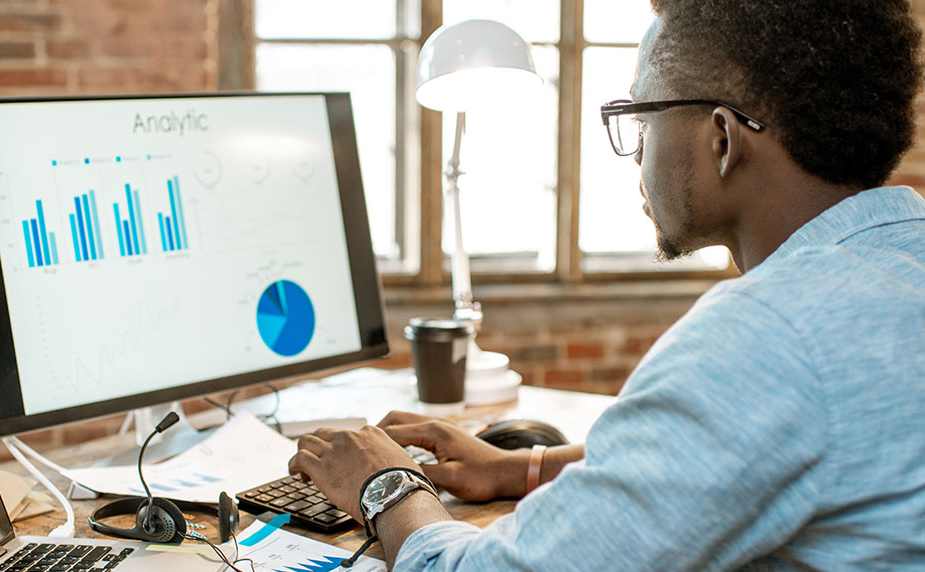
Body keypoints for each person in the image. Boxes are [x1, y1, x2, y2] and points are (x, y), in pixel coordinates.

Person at [288, 1, 925, 569]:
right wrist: (519, 466)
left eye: (641, 118)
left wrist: (387, 485)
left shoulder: (770, 333)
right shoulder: (901, 259)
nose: (637, 150)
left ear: (723, 139)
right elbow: (724, 462)